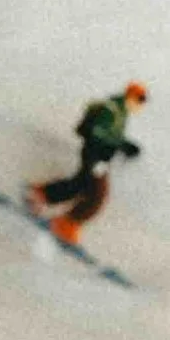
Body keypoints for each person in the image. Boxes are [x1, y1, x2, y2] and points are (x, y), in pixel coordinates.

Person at [27, 83, 146, 247]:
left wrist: (124, 145)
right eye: (140, 100)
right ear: (131, 96)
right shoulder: (113, 109)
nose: (140, 105)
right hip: (95, 154)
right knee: (97, 194)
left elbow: (111, 135)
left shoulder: (121, 112)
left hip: (99, 157)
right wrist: (121, 145)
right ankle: (65, 223)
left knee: (81, 184)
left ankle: (41, 194)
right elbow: (99, 132)